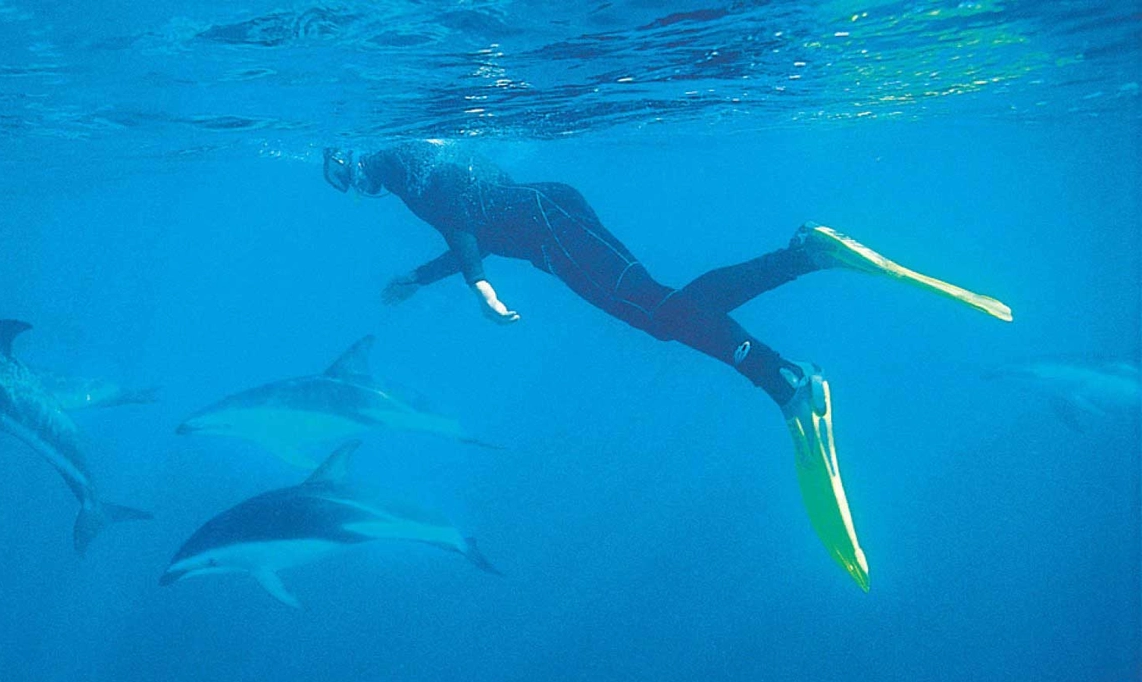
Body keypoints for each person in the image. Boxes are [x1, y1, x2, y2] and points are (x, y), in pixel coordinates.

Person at [322, 140, 1012, 590]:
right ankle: (788, 354)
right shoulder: (426, 163)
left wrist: (478, 290)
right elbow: (475, 223)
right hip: (550, 214)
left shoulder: (405, 176)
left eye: (344, 180)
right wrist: (423, 277)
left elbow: (466, 231)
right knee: (664, 311)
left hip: (551, 233)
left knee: (660, 316)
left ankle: (795, 316)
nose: (352, 191)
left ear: (358, 169)